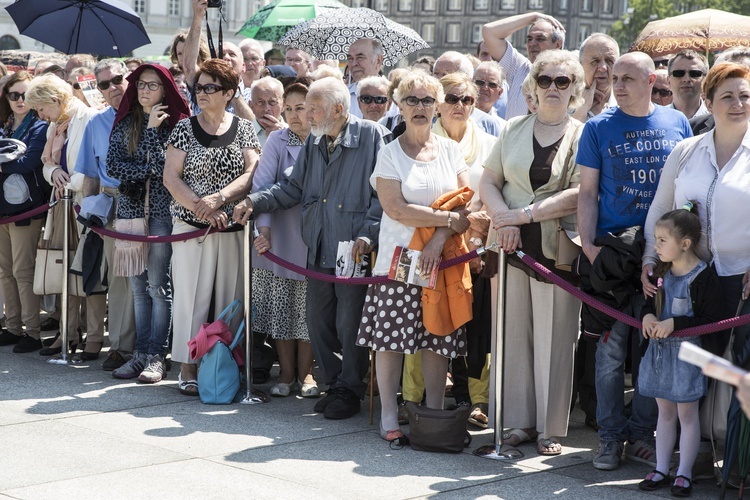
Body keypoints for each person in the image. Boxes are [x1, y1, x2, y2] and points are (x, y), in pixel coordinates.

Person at [234, 77, 389, 420]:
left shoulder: (371, 136)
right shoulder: (316, 142)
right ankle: (335, 384)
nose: (307, 116)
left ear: (337, 108)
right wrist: (254, 202)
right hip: (318, 245)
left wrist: (368, 233)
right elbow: (291, 188)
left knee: (349, 323)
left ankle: (350, 389)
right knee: (318, 321)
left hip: (353, 250)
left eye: (313, 108)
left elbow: (384, 195)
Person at [576, 52, 692, 471]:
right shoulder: (597, 127)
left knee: (652, 350)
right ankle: (609, 438)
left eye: (627, 78)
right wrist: (590, 250)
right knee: (609, 354)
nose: (617, 85)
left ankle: (642, 435)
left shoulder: (676, 122)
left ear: (651, 80)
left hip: (662, 257)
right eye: (613, 78)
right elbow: (587, 193)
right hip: (612, 256)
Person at [354, 71, 472, 441]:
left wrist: (439, 238)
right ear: (399, 107)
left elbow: (465, 205)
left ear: (438, 106)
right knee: (392, 339)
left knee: (438, 339)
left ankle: (434, 415)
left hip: (441, 259)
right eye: (412, 100)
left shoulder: (451, 150)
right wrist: (449, 219)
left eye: (427, 100)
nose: (419, 107)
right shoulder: (388, 153)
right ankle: (390, 414)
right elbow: (396, 209)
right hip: (399, 259)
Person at [480, 50, 585, 455]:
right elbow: (489, 181)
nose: (554, 88)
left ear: (574, 89)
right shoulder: (512, 129)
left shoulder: (582, 134)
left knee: (555, 337)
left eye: (563, 81)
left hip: (554, 248)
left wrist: (519, 217)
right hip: (505, 244)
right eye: (546, 80)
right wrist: (504, 220)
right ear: (533, 87)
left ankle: (548, 428)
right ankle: (515, 422)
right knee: (510, 334)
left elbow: (577, 194)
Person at [642, 61, 750, 366]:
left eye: (745, 96)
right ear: (708, 102)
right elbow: (661, 209)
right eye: (727, 97)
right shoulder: (685, 150)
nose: (738, 104)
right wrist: (651, 258)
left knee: (737, 366)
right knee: (690, 371)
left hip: (741, 281)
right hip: (688, 277)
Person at [164, 59, 261, 396]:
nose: (201, 93)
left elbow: (252, 173)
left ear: (229, 93)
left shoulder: (244, 128)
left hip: (232, 228)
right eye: (198, 87)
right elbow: (171, 177)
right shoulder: (183, 127)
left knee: (228, 299)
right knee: (191, 298)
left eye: (210, 88)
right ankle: (188, 367)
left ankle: (224, 364)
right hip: (191, 228)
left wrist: (221, 197)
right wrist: (202, 208)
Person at [106, 65, 190, 383]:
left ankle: (157, 356)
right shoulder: (127, 121)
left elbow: (164, 170)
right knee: (139, 289)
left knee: (158, 286)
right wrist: (144, 162)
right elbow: (114, 164)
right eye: (141, 84)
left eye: (152, 86)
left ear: (165, 90)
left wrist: (154, 132)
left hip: (160, 214)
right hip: (129, 212)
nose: (144, 90)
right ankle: (140, 354)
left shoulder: (176, 127)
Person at [637, 204, 722, 497]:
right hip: (660, 354)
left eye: (662, 240)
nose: (656, 246)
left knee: (687, 415)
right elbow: (649, 304)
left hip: (688, 357)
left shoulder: (703, 276)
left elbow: (710, 321)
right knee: (664, 413)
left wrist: (676, 323)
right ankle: (662, 468)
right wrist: (647, 316)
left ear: (684, 244)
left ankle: (684, 472)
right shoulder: (661, 271)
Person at [432, 71, 498, 428]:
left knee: (476, 328)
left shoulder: (489, 142)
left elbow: (496, 187)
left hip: (478, 249)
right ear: (438, 103)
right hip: (436, 246)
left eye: (467, 100)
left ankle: (476, 398)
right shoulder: (424, 140)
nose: (460, 106)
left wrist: (477, 230)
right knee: (439, 324)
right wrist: (463, 223)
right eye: (452, 98)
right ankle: (426, 398)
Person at [25, 74, 106, 356]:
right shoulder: (55, 126)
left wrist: (67, 182)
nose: (40, 115)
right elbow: (47, 165)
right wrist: (55, 173)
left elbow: (92, 167)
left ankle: (94, 337)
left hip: (86, 205)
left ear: (55, 100)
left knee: (90, 270)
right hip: (61, 206)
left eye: (40, 108)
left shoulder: (90, 117)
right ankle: (68, 333)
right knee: (64, 269)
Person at [251, 79, 318, 398]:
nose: (293, 114)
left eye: (300, 108)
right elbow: (261, 187)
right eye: (288, 108)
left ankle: (306, 375)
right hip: (279, 236)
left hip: (314, 238)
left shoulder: (322, 140)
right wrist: (262, 231)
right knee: (282, 310)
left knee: (308, 312)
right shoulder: (277, 140)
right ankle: (286, 373)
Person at [76, 58, 137, 368]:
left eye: (118, 79)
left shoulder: (149, 115)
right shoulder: (96, 123)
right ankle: (122, 347)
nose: (114, 87)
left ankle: (153, 348)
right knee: (119, 279)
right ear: (98, 90)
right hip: (112, 205)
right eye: (104, 84)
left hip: (151, 203)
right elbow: (90, 176)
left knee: (154, 281)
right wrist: (90, 218)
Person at [0, 72, 49, 353]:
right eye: (13, 95)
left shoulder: (39, 127)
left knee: (22, 271)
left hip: (26, 209)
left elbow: (30, 162)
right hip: (3, 208)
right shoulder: (5, 126)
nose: (20, 100)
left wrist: (2, 165)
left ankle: (32, 332)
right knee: (5, 271)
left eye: (25, 95)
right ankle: (13, 327)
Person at [482, 13, 565, 119]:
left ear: (557, 44)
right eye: (529, 39)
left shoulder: (567, 78)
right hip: (514, 135)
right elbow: (489, 31)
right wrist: (533, 17)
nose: (532, 43)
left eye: (540, 38)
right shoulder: (519, 68)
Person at [432, 52, 504, 137]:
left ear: (467, 79)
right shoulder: (425, 117)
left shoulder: (487, 125)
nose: (439, 79)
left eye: (446, 74)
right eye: (436, 73)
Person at [573, 33, 619, 122]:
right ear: (580, 66)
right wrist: (582, 109)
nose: (603, 68)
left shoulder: (626, 104)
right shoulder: (565, 101)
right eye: (595, 61)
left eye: (609, 61)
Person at [346, 38, 384, 118]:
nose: (354, 64)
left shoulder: (394, 97)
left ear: (378, 60)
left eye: (360, 57)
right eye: (350, 58)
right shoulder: (342, 96)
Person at [667, 50, 709, 120]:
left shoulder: (716, 119)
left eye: (695, 73)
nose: (686, 79)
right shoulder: (657, 119)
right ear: (668, 81)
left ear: (706, 80)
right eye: (679, 73)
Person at [250, 76, 286, 147]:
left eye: (272, 102)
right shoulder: (242, 134)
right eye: (260, 102)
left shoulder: (295, 134)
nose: (266, 108)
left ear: (283, 105)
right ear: (251, 106)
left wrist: (284, 137)